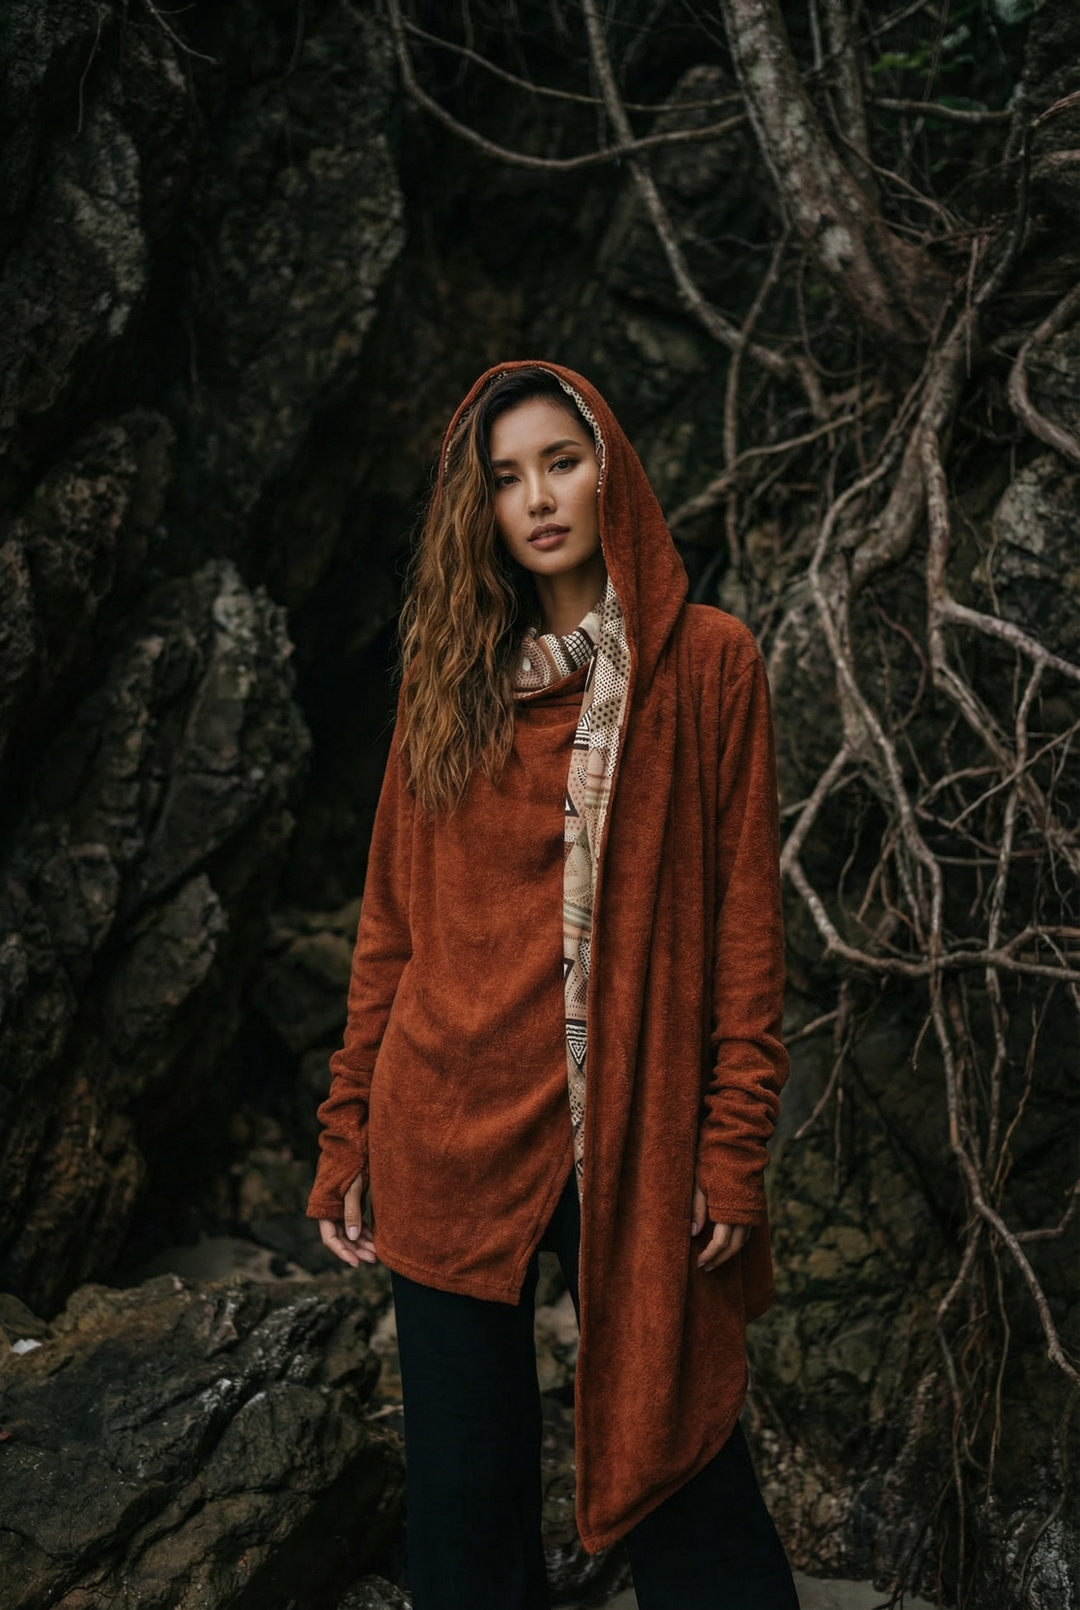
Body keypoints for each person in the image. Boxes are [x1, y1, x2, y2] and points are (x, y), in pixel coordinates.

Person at [308, 362, 799, 1610]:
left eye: (560, 462)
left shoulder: (708, 665)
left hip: (624, 1129)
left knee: (688, 1467)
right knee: (466, 1518)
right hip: (446, 1126)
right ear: (477, 509)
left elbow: (747, 933)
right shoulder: (447, 684)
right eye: (505, 477)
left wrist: (731, 1144)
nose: (537, 497)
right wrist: (346, 1127)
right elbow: (390, 926)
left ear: (609, 464)